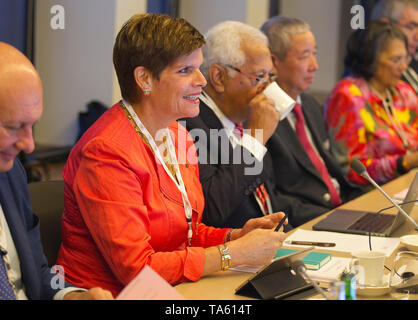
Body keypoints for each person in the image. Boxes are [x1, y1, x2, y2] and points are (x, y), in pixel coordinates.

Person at [56, 13, 287, 298]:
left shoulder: (177, 134)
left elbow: (185, 234)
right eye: (185, 70)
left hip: (173, 290)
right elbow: (137, 269)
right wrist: (230, 254)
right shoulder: (106, 152)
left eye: (199, 68)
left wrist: (235, 237)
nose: (202, 81)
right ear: (144, 79)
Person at [0, 42, 113, 300]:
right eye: (13, 126)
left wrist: (73, 297)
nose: (28, 144)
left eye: (31, 127)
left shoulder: (10, 174)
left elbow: (36, 273)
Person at [183, 20, 293, 229]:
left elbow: (266, 195)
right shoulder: (190, 124)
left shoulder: (242, 119)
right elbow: (212, 210)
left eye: (270, 77)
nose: (267, 88)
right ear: (219, 77)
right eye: (259, 77)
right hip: (231, 253)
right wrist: (254, 139)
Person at [260, 16, 362, 227]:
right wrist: (329, 219)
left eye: (314, 54)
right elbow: (274, 197)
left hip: (342, 208)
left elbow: (328, 168)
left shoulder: (309, 104)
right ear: (273, 61)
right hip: (309, 222)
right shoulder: (260, 114)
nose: (314, 66)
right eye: (304, 56)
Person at [324, 21, 418, 187]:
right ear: (370, 60)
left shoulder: (403, 92)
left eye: (405, 58)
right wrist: (405, 162)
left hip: (408, 184)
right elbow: (351, 170)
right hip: (371, 192)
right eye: (395, 60)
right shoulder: (349, 95)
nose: (403, 67)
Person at [371, 0, 418, 92]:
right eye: (410, 27)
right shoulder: (363, 76)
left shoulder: (413, 66)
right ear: (385, 25)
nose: (417, 37)